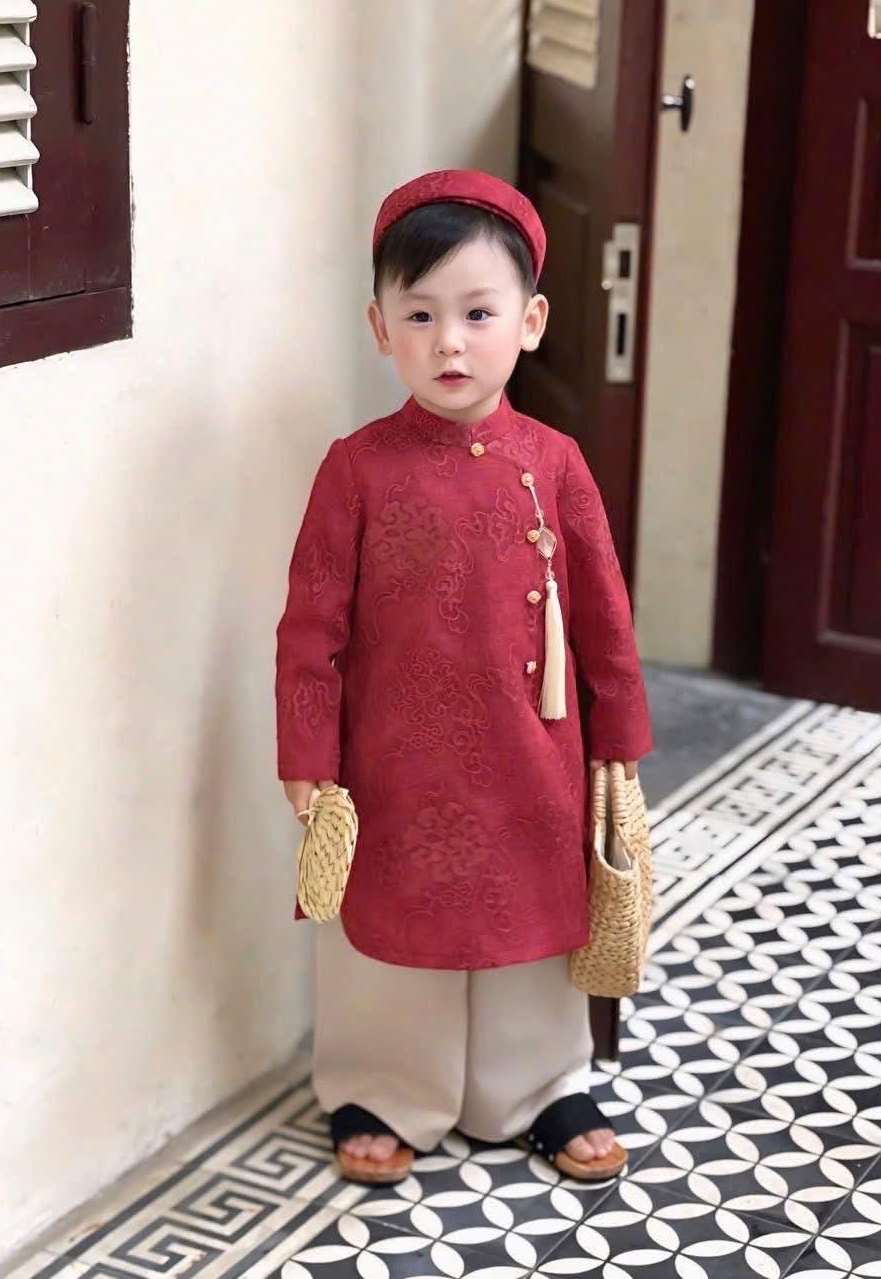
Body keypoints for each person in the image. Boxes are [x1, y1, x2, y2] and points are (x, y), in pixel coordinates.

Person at [275, 169, 653, 1186]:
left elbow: (605, 616)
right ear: (379, 327)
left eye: (478, 313)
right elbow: (311, 627)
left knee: (534, 916)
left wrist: (618, 739)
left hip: (536, 751)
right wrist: (308, 753)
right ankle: (383, 1086)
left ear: (530, 322)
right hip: (392, 761)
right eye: (420, 314)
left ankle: (539, 1088)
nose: (449, 342)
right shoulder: (355, 468)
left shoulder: (556, 462)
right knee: (388, 924)